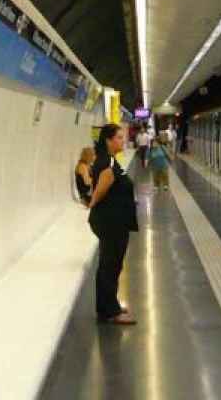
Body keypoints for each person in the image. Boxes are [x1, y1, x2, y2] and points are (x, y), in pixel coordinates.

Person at [88, 124, 138, 325]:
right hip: (111, 222)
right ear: (108, 140)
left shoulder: (107, 159)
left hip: (113, 221)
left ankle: (109, 306)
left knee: (111, 265)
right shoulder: (107, 163)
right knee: (110, 265)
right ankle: (109, 312)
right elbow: (101, 187)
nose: (122, 140)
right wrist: (93, 204)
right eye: (118, 137)